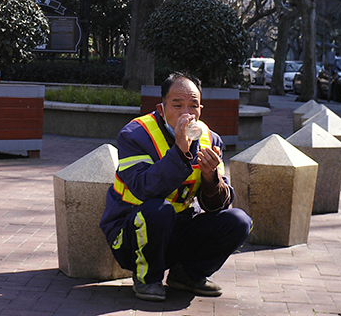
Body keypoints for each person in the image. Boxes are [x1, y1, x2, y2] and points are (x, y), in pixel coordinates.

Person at [99, 71, 251, 302]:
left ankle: (188, 275)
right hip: (131, 233)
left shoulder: (211, 138)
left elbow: (217, 206)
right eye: (177, 105)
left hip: (178, 229)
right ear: (161, 109)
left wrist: (212, 179)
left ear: (201, 110)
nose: (186, 114)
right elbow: (143, 188)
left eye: (193, 106)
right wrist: (180, 152)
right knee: (159, 209)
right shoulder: (134, 135)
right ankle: (147, 278)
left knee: (239, 221)